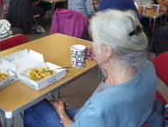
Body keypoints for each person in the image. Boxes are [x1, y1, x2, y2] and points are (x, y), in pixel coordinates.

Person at [23, 9, 157, 127]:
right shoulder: (148, 67)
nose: (92, 45)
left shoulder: (101, 104)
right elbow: (114, 80)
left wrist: (61, 113)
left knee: (33, 106)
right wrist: (100, 57)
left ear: (107, 51)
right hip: (128, 117)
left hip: (100, 117)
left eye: (95, 41)